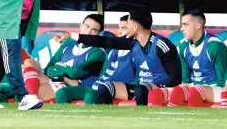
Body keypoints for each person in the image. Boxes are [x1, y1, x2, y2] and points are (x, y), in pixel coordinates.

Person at [51, 9, 182, 106]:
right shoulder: (133, 42)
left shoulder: (161, 45)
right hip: (139, 87)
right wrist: (71, 35)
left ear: (135, 27)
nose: (124, 28)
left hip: (160, 88)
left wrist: (154, 85)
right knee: (106, 87)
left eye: (128, 24)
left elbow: (175, 77)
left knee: (141, 90)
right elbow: (106, 42)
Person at [148, 9, 227, 107]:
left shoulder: (214, 45)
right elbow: (186, 80)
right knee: (156, 94)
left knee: (194, 93)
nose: (181, 29)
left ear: (198, 25)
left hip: (216, 88)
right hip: (195, 87)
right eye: (182, 25)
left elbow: (224, 81)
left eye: (185, 25)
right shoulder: (183, 46)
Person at [21, 14, 106, 104]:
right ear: (81, 26)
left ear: (99, 34)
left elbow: (75, 73)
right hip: (60, 81)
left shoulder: (98, 52)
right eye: (87, 26)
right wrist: (65, 78)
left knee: (34, 89)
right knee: (29, 62)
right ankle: (31, 98)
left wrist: (58, 69)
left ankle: (30, 98)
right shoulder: (68, 43)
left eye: (94, 30)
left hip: (76, 88)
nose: (88, 32)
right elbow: (48, 68)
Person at [85, 15, 138, 105]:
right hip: (99, 86)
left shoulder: (137, 51)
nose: (119, 32)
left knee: (92, 94)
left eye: (124, 28)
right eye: (119, 28)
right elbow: (103, 74)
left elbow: (139, 77)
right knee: (63, 92)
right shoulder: (113, 51)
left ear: (134, 29)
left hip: (118, 88)